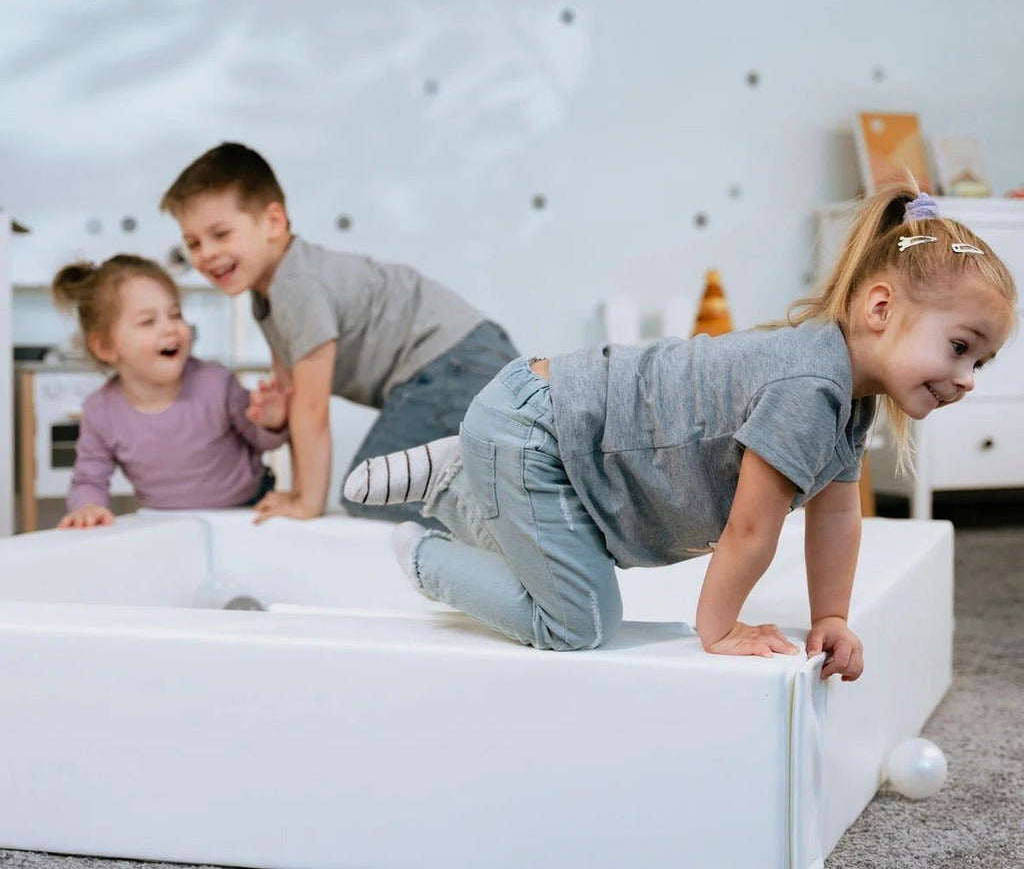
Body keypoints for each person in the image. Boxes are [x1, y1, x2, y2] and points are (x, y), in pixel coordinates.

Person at [344, 184, 1017, 675]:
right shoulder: (808, 386)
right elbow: (752, 528)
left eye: (981, 361)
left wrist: (830, 618)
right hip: (535, 430)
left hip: (551, 437)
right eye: (960, 348)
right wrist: (718, 628)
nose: (968, 379)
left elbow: (837, 516)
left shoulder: (848, 398)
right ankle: (428, 554)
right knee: (578, 624)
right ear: (879, 307)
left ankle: (468, 478)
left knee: (573, 567)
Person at [159, 142, 519, 526]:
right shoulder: (269, 298)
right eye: (194, 243)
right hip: (461, 360)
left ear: (274, 223)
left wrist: (306, 503)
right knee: (393, 489)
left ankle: (505, 529)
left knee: (372, 494)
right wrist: (278, 417)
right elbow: (296, 399)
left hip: (455, 362)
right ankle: (502, 509)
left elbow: (312, 411)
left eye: (220, 234)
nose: (207, 254)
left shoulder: (298, 286)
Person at [53, 255, 290, 529]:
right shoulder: (102, 411)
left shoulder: (216, 382)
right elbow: (89, 480)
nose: (170, 328)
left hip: (247, 511)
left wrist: (272, 422)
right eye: (148, 321)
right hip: (165, 523)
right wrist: (88, 507)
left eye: (175, 314)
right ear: (105, 347)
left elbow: (262, 441)